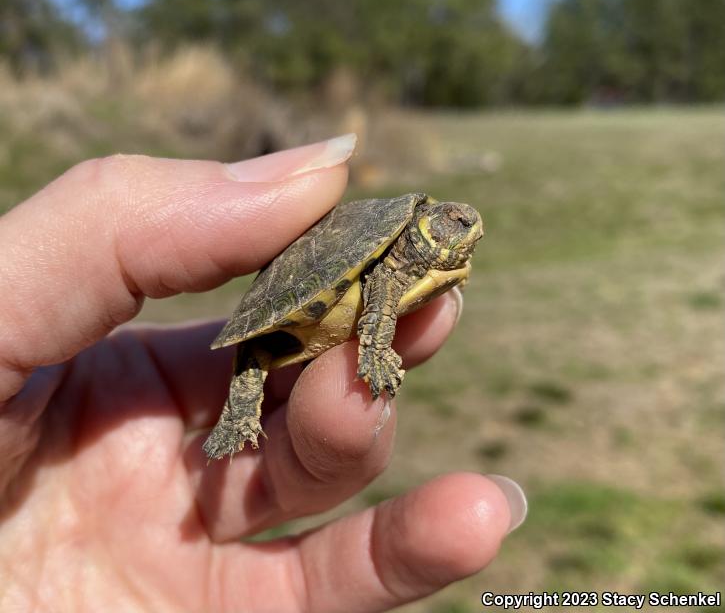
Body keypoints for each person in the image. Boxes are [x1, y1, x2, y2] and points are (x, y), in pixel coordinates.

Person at [0, 135, 526, 612]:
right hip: (309, 289)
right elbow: (380, 286)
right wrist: (375, 349)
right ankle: (240, 414)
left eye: (467, 227)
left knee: (322, 408)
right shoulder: (391, 248)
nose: (465, 226)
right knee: (257, 352)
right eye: (454, 222)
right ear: (424, 227)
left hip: (336, 312)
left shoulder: (430, 263)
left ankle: (244, 415)